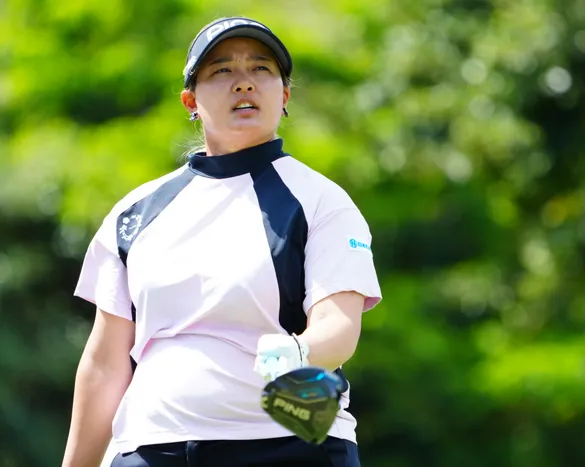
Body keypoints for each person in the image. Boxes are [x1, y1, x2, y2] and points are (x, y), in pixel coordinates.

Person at [61, 16, 382, 467]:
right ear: (190, 100)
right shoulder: (135, 213)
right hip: (150, 448)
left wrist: (300, 351)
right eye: (222, 70)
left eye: (261, 69)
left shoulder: (321, 201)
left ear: (284, 96)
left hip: (285, 446)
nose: (243, 82)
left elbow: (339, 326)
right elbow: (104, 363)